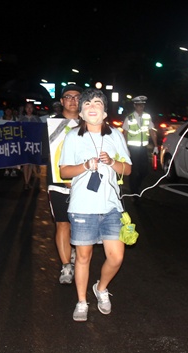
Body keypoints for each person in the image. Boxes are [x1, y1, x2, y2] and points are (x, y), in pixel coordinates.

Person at [59, 88, 132, 322]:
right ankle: (81, 301)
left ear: (104, 112)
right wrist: (85, 166)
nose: (92, 106)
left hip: (111, 206)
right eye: (87, 103)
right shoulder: (72, 137)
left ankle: (101, 288)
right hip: (82, 206)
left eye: (98, 103)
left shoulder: (115, 135)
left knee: (117, 257)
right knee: (83, 256)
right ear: (80, 112)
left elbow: (127, 169)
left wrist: (112, 162)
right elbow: (64, 171)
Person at [47, 84, 83, 284]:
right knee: (62, 223)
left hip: (83, 184)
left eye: (77, 97)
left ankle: (78, 254)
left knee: (80, 224)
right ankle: (66, 266)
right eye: (68, 97)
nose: (72, 100)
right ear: (61, 101)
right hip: (57, 182)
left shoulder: (90, 124)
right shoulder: (49, 125)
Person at [122, 95, 158, 203]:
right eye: (139, 105)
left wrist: (156, 145)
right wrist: (125, 148)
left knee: (144, 171)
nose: (141, 107)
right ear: (135, 106)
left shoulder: (147, 116)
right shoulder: (129, 118)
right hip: (133, 148)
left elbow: (152, 131)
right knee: (134, 172)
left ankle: (136, 186)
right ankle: (135, 194)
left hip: (143, 148)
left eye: (142, 105)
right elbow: (125, 133)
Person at [19, 102, 42, 190]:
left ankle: (28, 181)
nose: (29, 109)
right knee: (25, 163)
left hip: (34, 144)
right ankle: (26, 182)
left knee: (31, 163)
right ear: (25, 109)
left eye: (31, 107)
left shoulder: (37, 119)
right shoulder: (22, 119)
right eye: (27, 107)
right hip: (24, 143)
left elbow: (40, 130)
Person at [0, 106, 19, 177]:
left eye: (9, 110)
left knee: (13, 154)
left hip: (13, 139)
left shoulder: (15, 119)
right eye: (6, 110)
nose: (8, 111)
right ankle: (6, 169)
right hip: (4, 139)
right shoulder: (1, 119)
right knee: (5, 155)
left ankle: (13, 170)